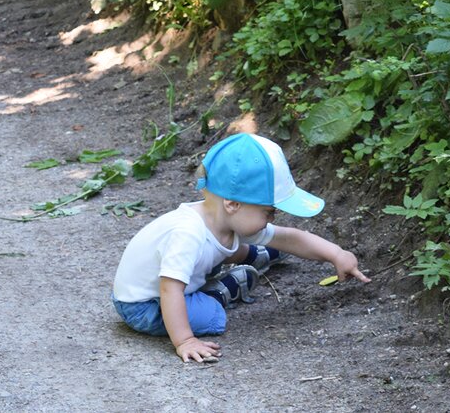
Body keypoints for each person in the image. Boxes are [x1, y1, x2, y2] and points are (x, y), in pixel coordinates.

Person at [112, 132, 371, 362]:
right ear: (233, 204)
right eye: (268, 212)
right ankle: (220, 293)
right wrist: (185, 341)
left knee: (230, 244)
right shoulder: (187, 234)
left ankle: (256, 254)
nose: (272, 219)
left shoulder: (221, 219)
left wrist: (336, 253)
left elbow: (290, 238)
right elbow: (169, 290)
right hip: (145, 305)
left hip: (173, 283)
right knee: (210, 318)